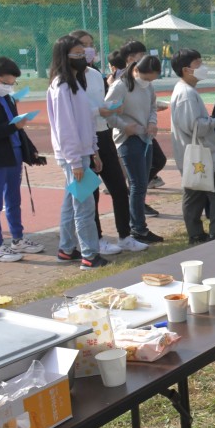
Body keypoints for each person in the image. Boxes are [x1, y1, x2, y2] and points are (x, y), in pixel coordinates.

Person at [0, 57, 46, 263]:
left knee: (14, 200)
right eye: (5, 83)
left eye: (12, 84)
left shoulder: (9, 99)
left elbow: (17, 128)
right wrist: (13, 127)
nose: (9, 87)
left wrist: (29, 150)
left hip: (14, 155)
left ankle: (18, 239)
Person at [69, 30, 133, 255]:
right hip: (83, 140)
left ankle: (126, 235)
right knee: (89, 193)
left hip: (102, 135)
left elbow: (102, 102)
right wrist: (99, 110)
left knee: (118, 186)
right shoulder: (67, 80)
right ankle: (95, 239)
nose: (88, 50)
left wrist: (111, 110)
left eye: (90, 44)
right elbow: (74, 113)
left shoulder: (95, 74)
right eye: (82, 46)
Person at [47, 35, 105, 270]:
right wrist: (75, 161)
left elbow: (85, 121)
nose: (83, 57)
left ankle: (66, 248)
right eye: (78, 54)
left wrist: (94, 150)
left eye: (85, 53)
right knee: (84, 205)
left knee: (72, 202)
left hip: (81, 152)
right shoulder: (62, 86)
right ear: (65, 56)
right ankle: (90, 256)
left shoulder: (75, 83)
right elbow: (65, 127)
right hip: (73, 155)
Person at [105, 55, 166, 248]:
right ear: (136, 70)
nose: (148, 82)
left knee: (140, 184)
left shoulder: (148, 87)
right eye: (146, 78)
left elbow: (152, 107)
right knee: (137, 184)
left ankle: (139, 227)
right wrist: (124, 127)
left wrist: (152, 123)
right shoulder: (120, 86)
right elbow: (107, 113)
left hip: (145, 137)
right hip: (128, 140)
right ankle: (138, 229)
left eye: (152, 79)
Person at [170, 47, 215, 243]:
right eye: (199, 64)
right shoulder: (186, 94)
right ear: (187, 69)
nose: (203, 67)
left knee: (195, 193)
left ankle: (196, 233)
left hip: (195, 155)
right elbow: (193, 125)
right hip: (202, 156)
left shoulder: (186, 90)